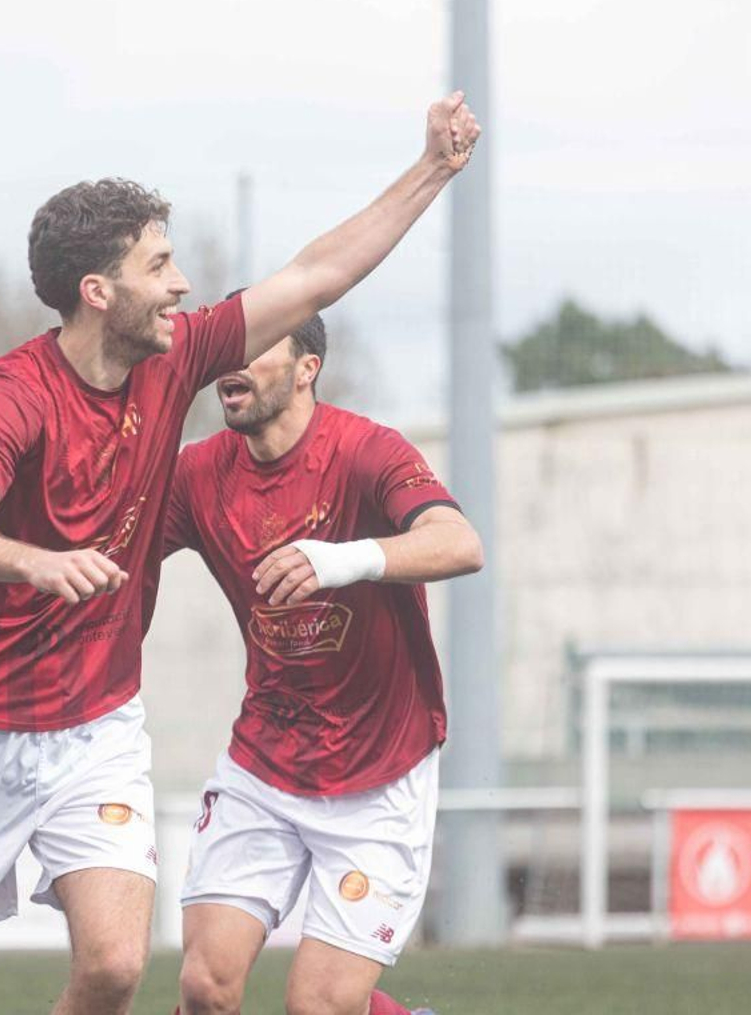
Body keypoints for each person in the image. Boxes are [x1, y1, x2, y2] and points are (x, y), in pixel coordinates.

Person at [0, 93, 481, 1015]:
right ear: (99, 291)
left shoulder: (180, 358)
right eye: (159, 265)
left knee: (119, 965)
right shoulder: (10, 393)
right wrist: (38, 561)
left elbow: (318, 275)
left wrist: (434, 170)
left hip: (98, 726)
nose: (181, 285)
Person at [163, 315, 480, 1015]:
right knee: (204, 986)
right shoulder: (199, 472)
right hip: (265, 762)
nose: (231, 367)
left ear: (307, 369)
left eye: (253, 352)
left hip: (379, 771)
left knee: (319, 1006)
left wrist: (343, 559)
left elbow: (459, 542)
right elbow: (110, 549)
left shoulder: (368, 451)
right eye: (225, 355)